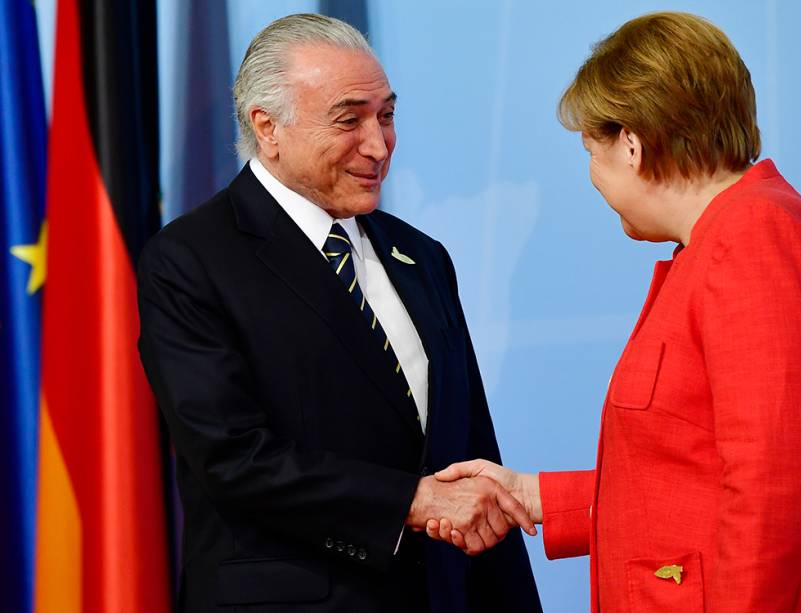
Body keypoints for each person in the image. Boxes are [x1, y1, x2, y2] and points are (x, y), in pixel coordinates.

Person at [430, 11, 801, 612]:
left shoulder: (755, 241)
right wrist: (533, 497)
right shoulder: (721, 242)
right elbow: (693, 480)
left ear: (632, 144)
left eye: (591, 149)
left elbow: (767, 498)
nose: (591, 177)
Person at [137, 14, 541, 613]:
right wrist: (413, 502)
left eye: (387, 116)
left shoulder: (422, 257)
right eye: (348, 120)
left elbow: (469, 449)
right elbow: (234, 457)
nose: (378, 145)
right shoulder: (191, 259)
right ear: (267, 127)